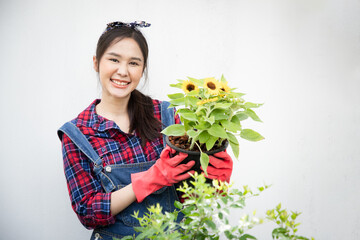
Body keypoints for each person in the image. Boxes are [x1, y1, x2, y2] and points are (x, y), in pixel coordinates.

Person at [57, 21, 233, 240]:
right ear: (96, 62)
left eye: (133, 63)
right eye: (113, 59)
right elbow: (88, 212)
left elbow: (188, 197)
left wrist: (212, 182)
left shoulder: (167, 116)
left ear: (142, 69)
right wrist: (149, 180)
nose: (123, 71)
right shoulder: (78, 135)